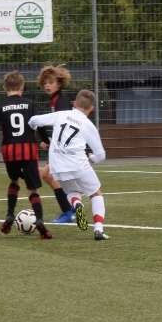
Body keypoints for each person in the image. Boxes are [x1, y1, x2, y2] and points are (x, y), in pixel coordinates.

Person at [28, 88, 109, 240]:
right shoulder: (88, 125)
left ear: (74, 103)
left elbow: (35, 120)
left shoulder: (62, 114)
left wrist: (32, 127)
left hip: (57, 165)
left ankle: (77, 204)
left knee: (71, 191)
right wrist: (91, 157)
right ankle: (98, 230)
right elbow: (101, 156)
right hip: (78, 164)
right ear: (92, 108)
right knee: (95, 193)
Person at [0, 70, 53, 239]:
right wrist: (45, 140)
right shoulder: (29, 104)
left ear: (4, 87)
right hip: (28, 149)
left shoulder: (1, 106)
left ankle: (9, 215)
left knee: (14, 181)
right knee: (32, 188)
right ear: (22, 87)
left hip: (10, 151)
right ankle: (40, 219)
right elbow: (39, 123)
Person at [36, 65, 77, 223]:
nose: (47, 85)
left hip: (65, 148)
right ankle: (70, 209)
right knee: (48, 175)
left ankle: (68, 211)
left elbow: (64, 126)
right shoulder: (56, 100)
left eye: (51, 82)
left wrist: (51, 142)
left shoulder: (61, 101)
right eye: (45, 82)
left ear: (59, 83)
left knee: (48, 175)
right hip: (62, 147)